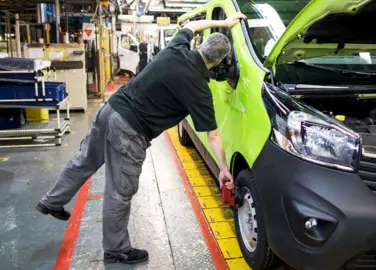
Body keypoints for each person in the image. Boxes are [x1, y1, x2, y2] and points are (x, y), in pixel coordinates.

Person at [36, 12, 247, 265]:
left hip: (110, 109)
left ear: (200, 45)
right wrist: (223, 168)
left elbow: (191, 24)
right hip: (129, 129)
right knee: (119, 191)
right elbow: (212, 134)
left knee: (84, 161)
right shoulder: (200, 89)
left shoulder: (177, 47)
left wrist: (223, 23)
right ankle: (116, 251)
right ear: (219, 62)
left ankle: (51, 201)